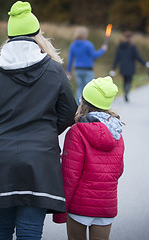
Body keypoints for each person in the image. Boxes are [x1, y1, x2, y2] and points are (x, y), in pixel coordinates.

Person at [0, 1, 78, 239]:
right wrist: (47, 130)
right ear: (36, 35)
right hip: (39, 160)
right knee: (30, 231)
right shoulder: (53, 70)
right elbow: (70, 112)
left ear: (9, 37)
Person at [53, 76, 125, 240]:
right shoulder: (117, 133)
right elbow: (119, 170)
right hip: (106, 205)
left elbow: (69, 176)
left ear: (83, 102)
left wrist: (60, 212)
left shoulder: (77, 132)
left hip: (79, 206)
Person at [66, 26, 108, 103]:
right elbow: (94, 56)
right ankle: (87, 105)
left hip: (77, 70)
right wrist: (102, 50)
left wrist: (68, 71)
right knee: (89, 89)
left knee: (79, 88)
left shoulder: (73, 45)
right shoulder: (88, 45)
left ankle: (79, 106)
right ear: (84, 35)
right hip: (88, 70)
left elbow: (70, 59)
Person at [110, 31, 149, 102]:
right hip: (131, 67)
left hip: (123, 66)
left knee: (125, 81)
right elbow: (137, 57)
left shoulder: (120, 46)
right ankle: (126, 92)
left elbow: (117, 58)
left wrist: (113, 68)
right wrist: (145, 63)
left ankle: (125, 92)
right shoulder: (132, 47)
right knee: (129, 81)